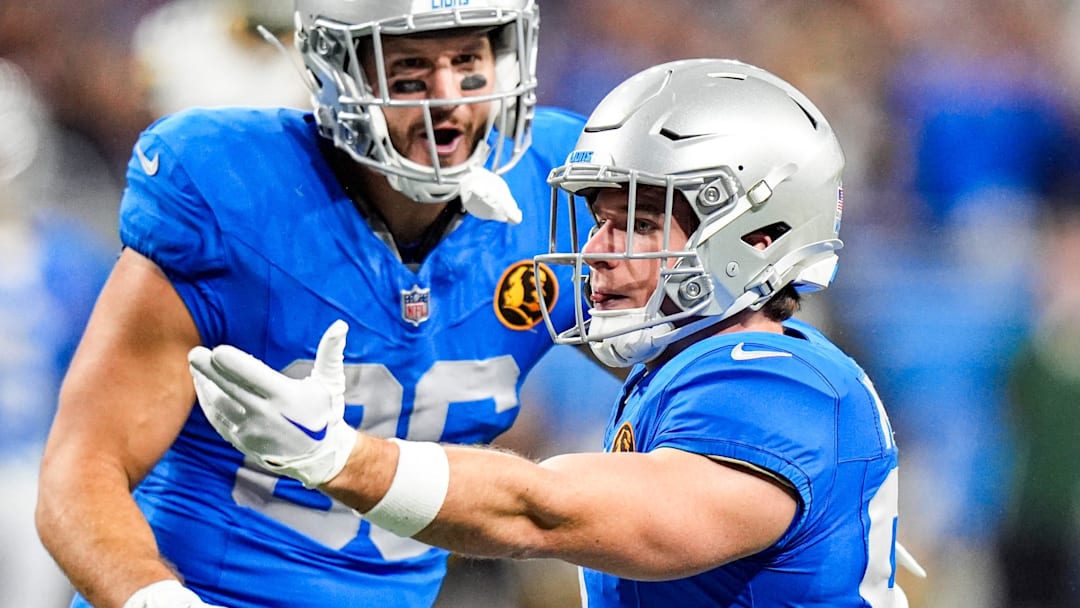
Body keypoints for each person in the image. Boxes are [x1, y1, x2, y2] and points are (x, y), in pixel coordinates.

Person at [190, 58, 920, 606]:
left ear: (758, 237)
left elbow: (542, 511)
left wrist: (340, 457)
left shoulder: (769, 385)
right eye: (601, 219)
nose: (598, 250)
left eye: (638, 223)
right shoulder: (701, 368)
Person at [35, 1, 598, 606]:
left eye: (468, 63)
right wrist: (155, 599)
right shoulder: (235, 190)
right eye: (410, 72)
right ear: (337, 73)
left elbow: (667, 396)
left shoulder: (559, 184)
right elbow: (81, 471)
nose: (448, 99)